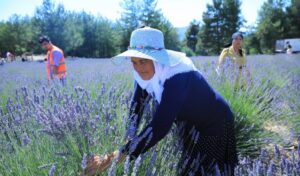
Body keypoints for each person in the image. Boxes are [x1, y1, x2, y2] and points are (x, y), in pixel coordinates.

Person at [83, 27, 238, 175]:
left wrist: (111, 159)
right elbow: (136, 108)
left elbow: (160, 127)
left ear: (157, 59)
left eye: (143, 61)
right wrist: (128, 138)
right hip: (188, 125)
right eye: (134, 62)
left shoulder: (178, 74)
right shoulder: (144, 73)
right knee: (187, 170)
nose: (138, 68)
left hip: (213, 123)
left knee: (210, 171)